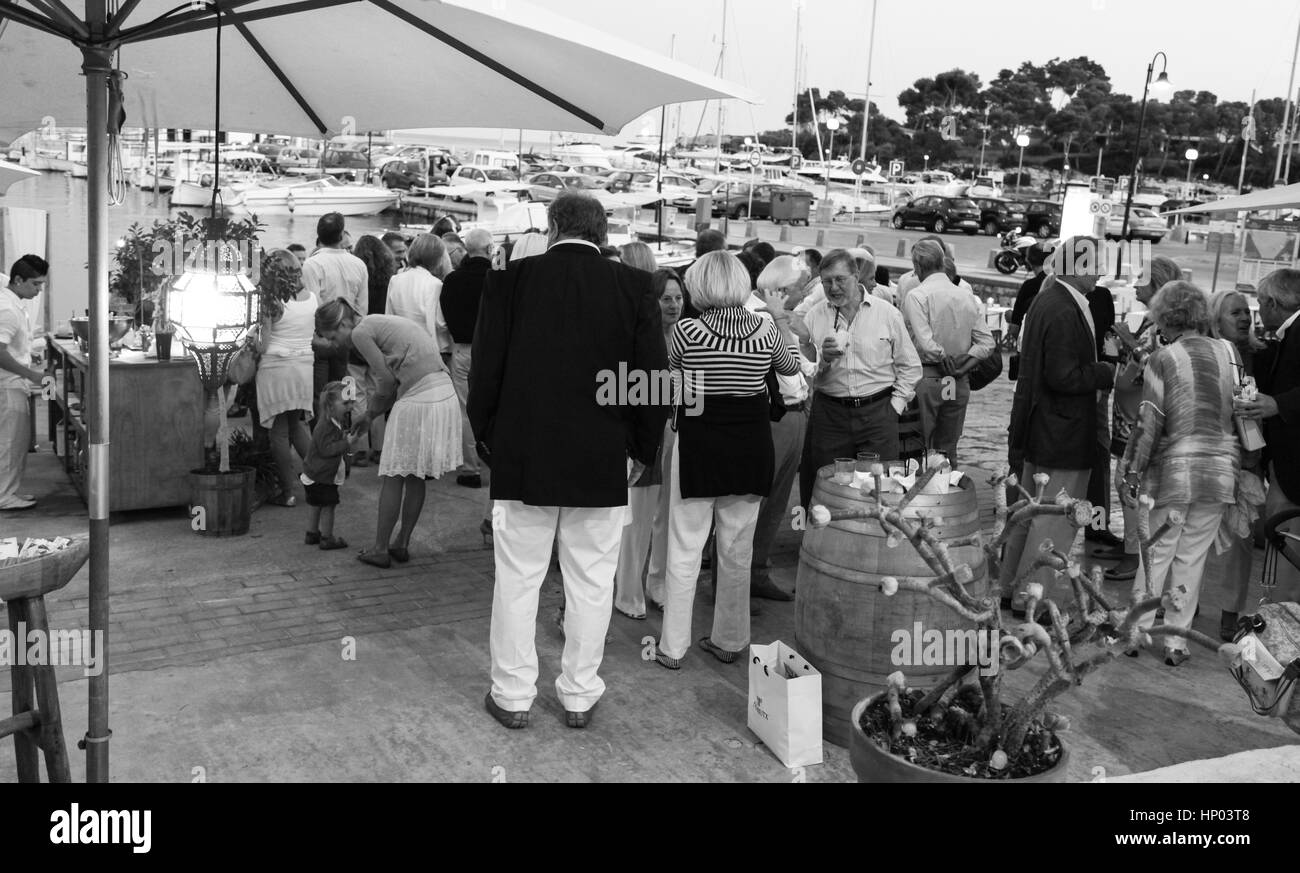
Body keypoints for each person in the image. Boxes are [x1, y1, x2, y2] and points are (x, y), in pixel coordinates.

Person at [469, 191, 666, 729]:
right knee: (591, 582)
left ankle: (512, 695)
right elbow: (651, 379)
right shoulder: (634, 286)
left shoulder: (511, 280)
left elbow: (485, 370)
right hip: (602, 457)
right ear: (602, 234)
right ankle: (579, 694)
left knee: (518, 579)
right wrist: (642, 451)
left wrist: (488, 439)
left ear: (553, 226)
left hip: (525, 453)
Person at [656, 251, 802, 670]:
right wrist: (778, 320)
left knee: (685, 549)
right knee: (736, 552)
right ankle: (731, 639)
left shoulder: (686, 331)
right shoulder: (765, 330)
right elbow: (790, 370)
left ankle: (673, 646)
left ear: (699, 285)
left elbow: (673, 388)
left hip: (701, 445)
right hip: (751, 447)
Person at [1119, 282, 1239, 666]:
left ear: (1165, 318)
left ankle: (1136, 632)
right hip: (1219, 469)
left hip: (1173, 471)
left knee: (1155, 554)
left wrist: (1132, 471)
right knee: (1193, 557)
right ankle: (1175, 642)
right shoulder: (1228, 351)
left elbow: (1149, 422)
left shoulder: (1163, 358)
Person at [1003, 237, 1115, 611]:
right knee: (1054, 520)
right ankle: (1034, 599)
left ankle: (1011, 589)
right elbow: (1063, 376)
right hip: (1061, 431)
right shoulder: (1064, 307)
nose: (1101, 270)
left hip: (1043, 427)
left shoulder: (1048, 298)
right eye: (1096, 263)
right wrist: (1104, 372)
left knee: (1029, 514)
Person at [316, 299, 462, 569]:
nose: (336, 345)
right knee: (414, 475)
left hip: (420, 396)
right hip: (443, 389)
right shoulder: (378, 322)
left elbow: (384, 379)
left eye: (334, 336)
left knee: (394, 475)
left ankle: (380, 548)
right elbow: (390, 382)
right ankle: (401, 543)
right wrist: (370, 415)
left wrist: (369, 412)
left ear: (344, 323)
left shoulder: (361, 332)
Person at [798, 249, 922, 510]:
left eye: (840, 279)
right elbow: (803, 372)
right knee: (825, 487)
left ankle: (873, 545)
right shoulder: (814, 316)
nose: (833, 287)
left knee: (879, 489)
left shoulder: (887, 313)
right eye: (826, 281)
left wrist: (894, 407)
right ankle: (821, 546)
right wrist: (823, 360)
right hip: (830, 414)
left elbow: (910, 366)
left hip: (878, 413)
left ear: (856, 276)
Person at [1105, 256, 1181, 582]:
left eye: (1141, 279)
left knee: (1131, 488)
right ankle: (1132, 551)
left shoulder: (1161, 329)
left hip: (1143, 424)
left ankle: (1133, 558)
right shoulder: (1159, 324)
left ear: (1157, 286)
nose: (1135, 284)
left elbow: (1149, 371)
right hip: (1133, 420)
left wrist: (1127, 344)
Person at [746, 256, 817, 602]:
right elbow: (790, 368)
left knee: (773, 502)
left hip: (791, 414)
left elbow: (808, 367)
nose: (804, 293)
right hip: (774, 417)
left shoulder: (774, 316)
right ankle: (743, 576)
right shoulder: (761, 317)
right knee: (758, 501)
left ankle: (755, 570)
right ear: (784, 289)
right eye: (802, 287)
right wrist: (787, 327)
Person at [1206, 287, 1267, 639]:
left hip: (1247, 461)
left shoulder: (1261, 355)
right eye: (1235, 313)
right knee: (1197, 534)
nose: (1245, 317)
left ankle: (1230, 614)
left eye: (1247, 312)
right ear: (1216, 321)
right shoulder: (1205, 357)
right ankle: (1185, 603)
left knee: (1240, 543)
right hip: (1210, 458)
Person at [1238, 267, 1300, 605]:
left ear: (1273, 303)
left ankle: (1281, 619)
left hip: (1293, 468)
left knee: (1285, 544)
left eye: (1259, 304)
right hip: (1285, 464)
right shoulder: (1287, 333)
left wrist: (1278, 404)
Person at [901, 240, 994, 464]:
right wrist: (963, 366)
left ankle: (921, 496)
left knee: (918, 447)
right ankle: (948, 492)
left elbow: (926, 344)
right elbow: (987, 343)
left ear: (918, 267)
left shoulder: (917, 295)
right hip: (957, 379)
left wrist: (944, 359)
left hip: (929, 377)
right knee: (948, 447)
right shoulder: (965, 295)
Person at [634, 268, 689, 617]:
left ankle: (658, 583)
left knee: (669, 514)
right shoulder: (643, 337)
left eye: (679, 298)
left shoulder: (688, 336)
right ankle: (629, 589)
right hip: (647, 433)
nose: (673, 305)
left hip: (678, 431)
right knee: (639, 515)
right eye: (666, 298)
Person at [253, 250, 317, 506]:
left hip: (277, 368)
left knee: (278, 433)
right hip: (304, 367)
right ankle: (322, 478)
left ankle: (288, 491)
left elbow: (262, 344)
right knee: (295, 425)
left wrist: (249, 337)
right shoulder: (311, 298)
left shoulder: (272, 302)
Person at [441, 228, 494, 492]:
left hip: (461, 347)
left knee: (465, 411)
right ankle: (496, 460)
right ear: (489, 249)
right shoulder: (496, 277)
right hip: (492, 349)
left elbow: (445, 314)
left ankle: (470, 468)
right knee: (495, 406)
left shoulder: (452, 279)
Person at [302, 213, 368, 417]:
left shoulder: (312, 264)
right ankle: (342, 437)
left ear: (319, 236)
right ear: (341, 236)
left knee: (321, 395)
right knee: (345, 392)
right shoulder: (358, 264)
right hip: (348, 338)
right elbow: (362, 308)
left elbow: (313, 306)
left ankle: (323, 439)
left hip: (322, 339)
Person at [0, 255, 47, 511]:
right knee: (9, 442)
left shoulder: (13, 302)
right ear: (18, 280)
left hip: (13, 382)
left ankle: (8, 490)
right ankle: (4, 495)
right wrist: (31, 374)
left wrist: (28, 353)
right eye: (36, 284)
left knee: (15, 442)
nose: (39, 289)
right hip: (7, 385)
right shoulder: (6, 308)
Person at [301, 381, 366, 551]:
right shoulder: (325, 426)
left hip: (314, 474)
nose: (351, 406)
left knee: (316, 504)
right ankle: (327, 537)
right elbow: (326, 449)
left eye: (351, 402)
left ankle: (312, 532)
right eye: (346, 403)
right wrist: (346, 442)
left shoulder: (331, 422)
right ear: (330, 405)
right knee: (328, 506)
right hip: (322, 476)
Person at [385, 233, 452, 354]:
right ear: (436, 257)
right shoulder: (435, 285)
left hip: (400, 346)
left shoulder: (395, 279)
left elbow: (389, 315)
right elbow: (439, 323)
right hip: (426, 349)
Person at [1006, 243, 1052, 345]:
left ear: (1028, 260)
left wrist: (1010, 317)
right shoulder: (1060, 283)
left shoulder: (1029, 286)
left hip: (1032, 348)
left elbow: (1015, 329)